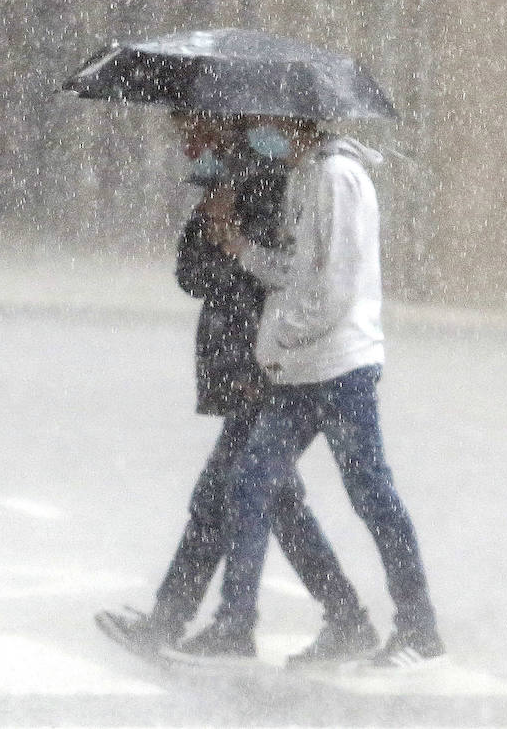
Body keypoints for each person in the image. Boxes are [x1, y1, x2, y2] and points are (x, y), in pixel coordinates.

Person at [95, 110, 379, 666]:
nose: (183, 138)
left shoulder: (270, 179)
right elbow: (191, 273)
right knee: (272, 499)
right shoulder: (221, 178)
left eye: (189, 124)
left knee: (222, 497)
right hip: (240, 361)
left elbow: (287, 275)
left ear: (220, 121)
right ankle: (345, 616)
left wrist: (235, 243)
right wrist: (213, 226)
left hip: (263, 364)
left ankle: (177, 622)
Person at [177, 113, 445, 670]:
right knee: (252, 484)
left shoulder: (338, 178)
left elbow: (335, 288)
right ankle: (235, 626)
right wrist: (238, 245)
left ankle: (419, 630)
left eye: (270, 120)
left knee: (372, 495)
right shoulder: (306, 175)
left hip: (341, 368)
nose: (260, 130)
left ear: (296, 120)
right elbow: (295, 273)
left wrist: (278, 339)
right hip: (300, 371)